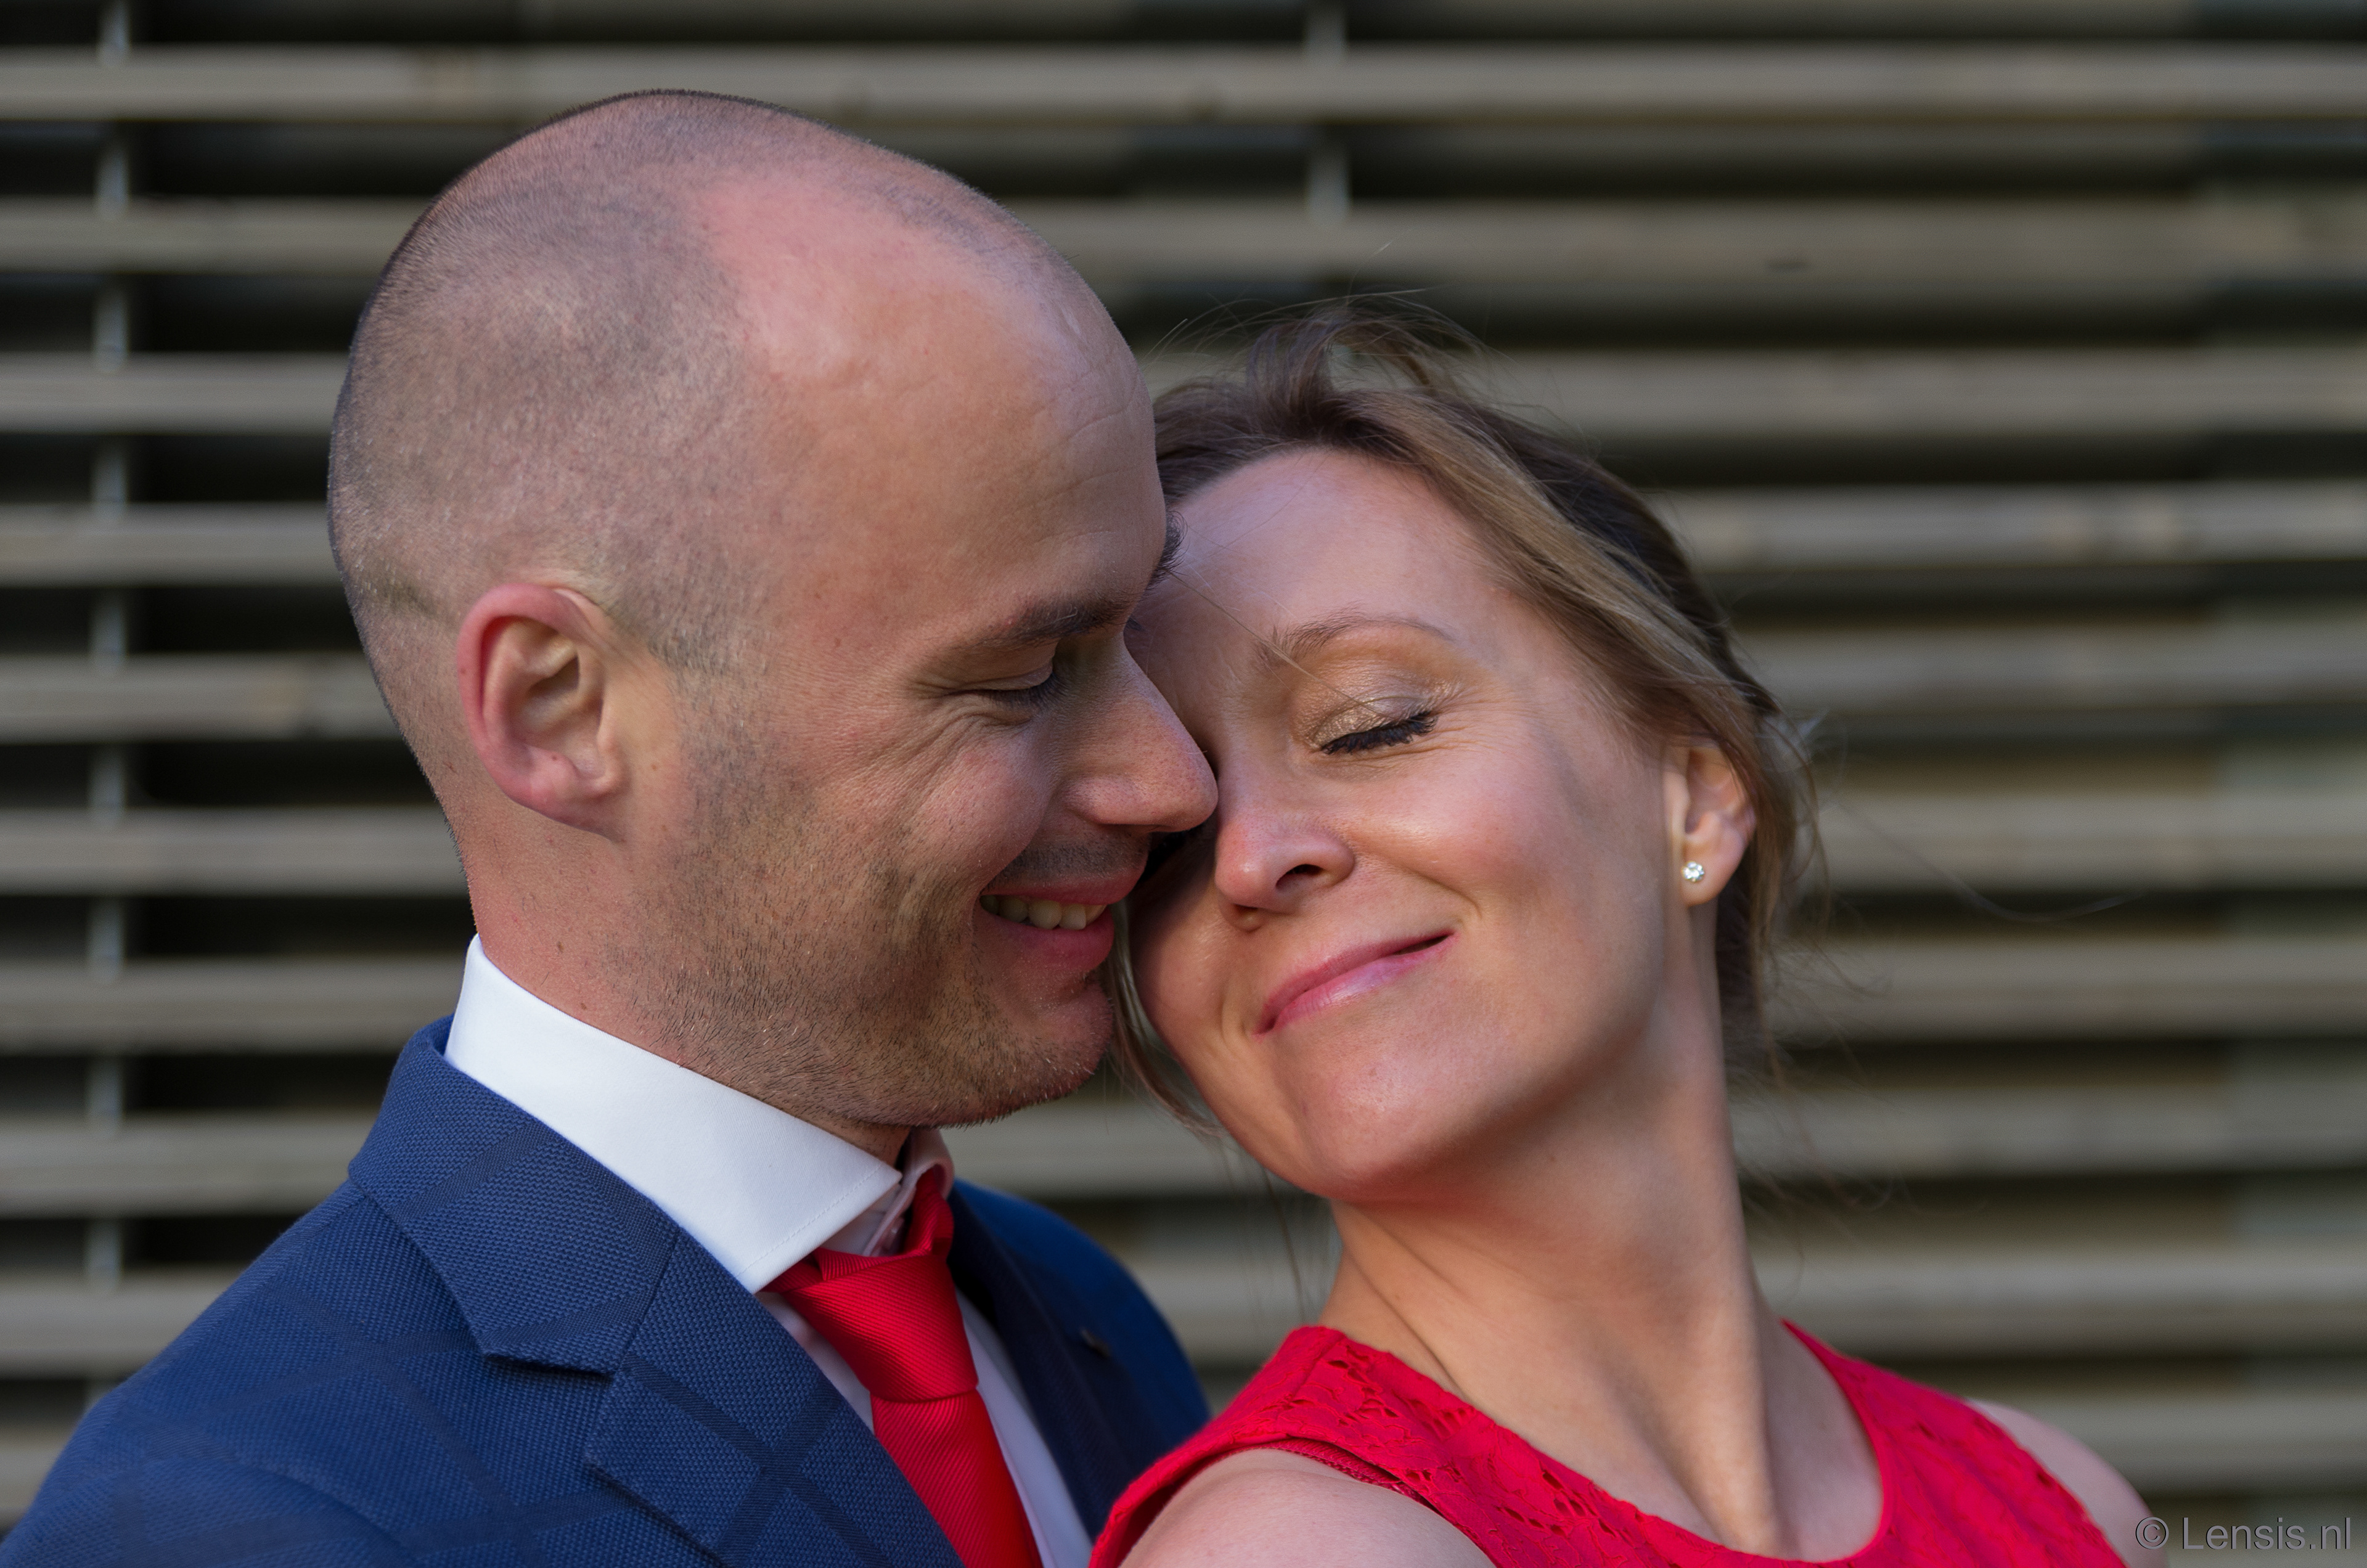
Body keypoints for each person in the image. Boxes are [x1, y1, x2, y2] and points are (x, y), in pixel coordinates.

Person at [3, 92, 1218, 1568]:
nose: (1174, 780)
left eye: (1139, 636)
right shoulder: (236, 1526)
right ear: (562, 711)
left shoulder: (1081, 1323)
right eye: (1021, 677)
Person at [1090, 311, 2165, 1568]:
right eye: (1166, 834)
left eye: (1370, 723)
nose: (1247, 857)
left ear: (1697, 792)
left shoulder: (2068, 1510)